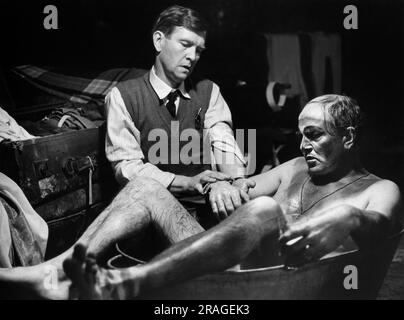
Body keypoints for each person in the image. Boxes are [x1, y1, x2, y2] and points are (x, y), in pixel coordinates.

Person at [0, 94, 402, 299]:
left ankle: (126, 283)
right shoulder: (295, 169)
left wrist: (350, 218)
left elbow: (380, 227)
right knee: (146, 186)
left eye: (314, 135)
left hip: (287, 287)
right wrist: (224, 185)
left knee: (263, 210)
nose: (302, 145)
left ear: (348, 138)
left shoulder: (381, 189)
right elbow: (245, 187)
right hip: (228, 271)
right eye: (300, 134)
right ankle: (57, 270)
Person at [104, 5, 248, 223]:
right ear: (159, 41)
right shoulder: (123, 96)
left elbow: (222, 139)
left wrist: (236, 180)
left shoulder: (208, 91)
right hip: (152, 215)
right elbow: (128, 167)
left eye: (199, 50)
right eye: (185, 45)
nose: (192, 57)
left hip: (208, 208)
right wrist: (186, 182)